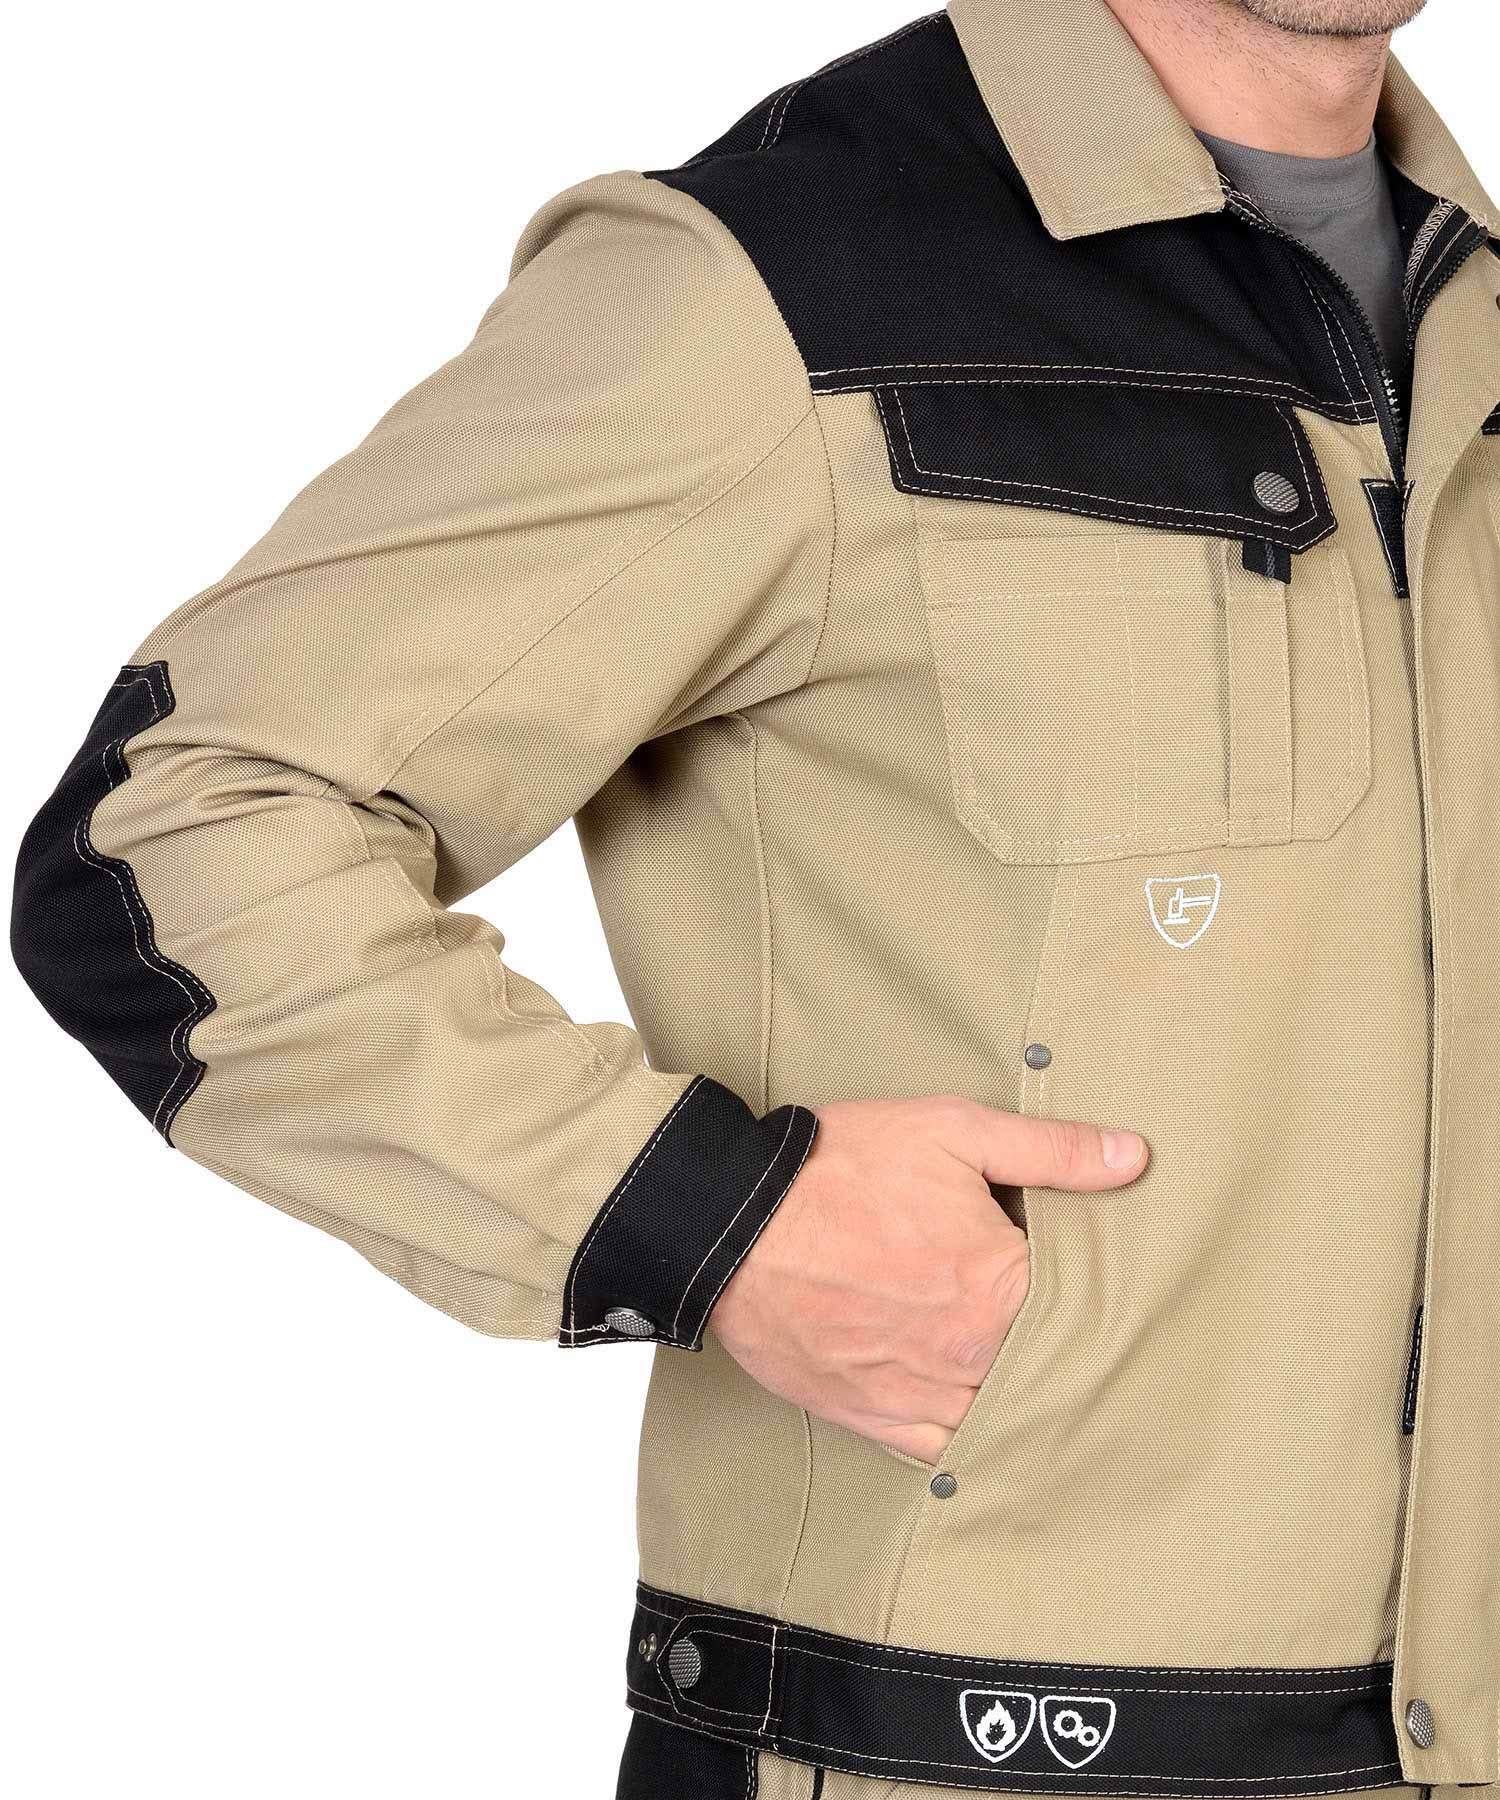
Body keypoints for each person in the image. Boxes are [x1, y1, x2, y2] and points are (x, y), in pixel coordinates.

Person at [12, 0, 1499, 1793]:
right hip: (950, 1746)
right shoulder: (787, 284)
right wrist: (707, 1220)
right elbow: (169, 836)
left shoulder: (1476, 320)